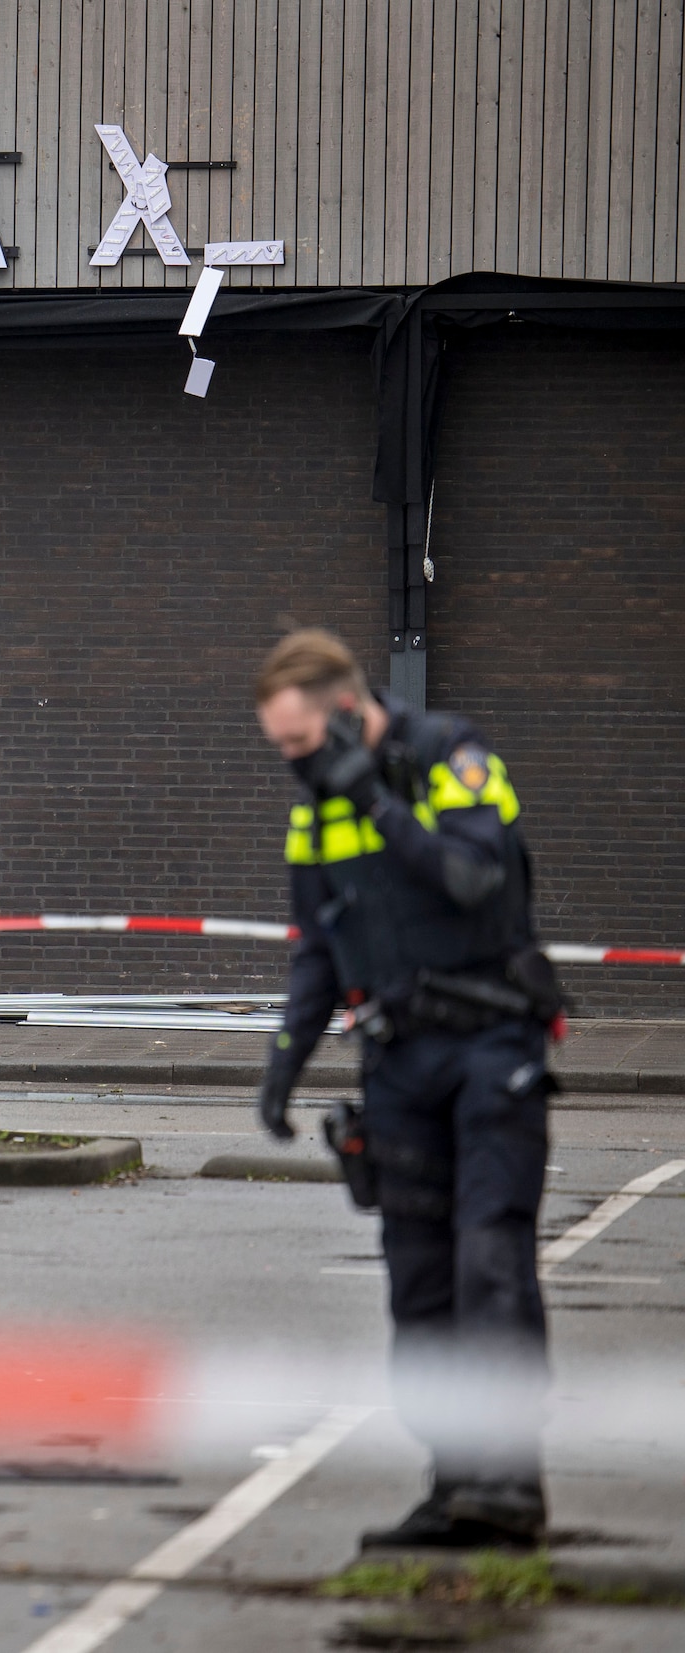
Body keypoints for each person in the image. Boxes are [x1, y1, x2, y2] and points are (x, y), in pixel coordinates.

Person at [253, 628, 564, 1550]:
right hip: (397, 1065)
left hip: (489, 1049)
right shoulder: (316, 809)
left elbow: (473, 877)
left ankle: (509, 1487)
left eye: (303, 746)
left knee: (488, 1263)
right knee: (419, 1284)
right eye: (281, 751)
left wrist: (379, 805)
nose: (294, 767)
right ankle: (452, 1483)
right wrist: (284, 1059)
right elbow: (318, 943)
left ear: (347, 715)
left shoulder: (452, 760)